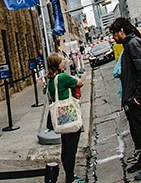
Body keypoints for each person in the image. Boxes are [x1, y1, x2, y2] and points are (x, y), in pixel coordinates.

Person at [110, 18, 141, 181]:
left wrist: (138, 94)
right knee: (138, 129)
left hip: (137, 96)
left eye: (115, 34)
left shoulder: (132, 44)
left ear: (122, 31)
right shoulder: (130, 44)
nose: (114, 37)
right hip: (132, 95)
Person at [45, 52, 84, 183]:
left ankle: (70, 175)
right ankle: (70, 178)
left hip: (60, 116)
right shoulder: (62, 77)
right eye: (63, 60)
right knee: (71, 149)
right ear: (58, 64)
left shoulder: (51, 79)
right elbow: (79, 82)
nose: (66, 61)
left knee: (66, 147)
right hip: (69, 114)